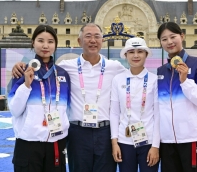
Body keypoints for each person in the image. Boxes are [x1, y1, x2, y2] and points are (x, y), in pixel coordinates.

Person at [11, 23, 126, 172]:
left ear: (102, 40)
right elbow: (43, 68)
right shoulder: (65, 68)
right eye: (88, 36)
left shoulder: (115, 67)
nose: (93, 40)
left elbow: (134, 77)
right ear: (79, 42)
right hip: (77, 132)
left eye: (97, 36)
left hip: (105, 132)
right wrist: (20, 67)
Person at [8, 25, 71, 172]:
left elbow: (67, 108)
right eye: (40, 40)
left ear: (55, 45)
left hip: (56, 141)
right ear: (33, 43)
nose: (45, 45)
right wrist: (26, 85)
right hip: (28, 143)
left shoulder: (63, 74)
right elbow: (15, 110)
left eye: (50, 41)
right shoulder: (22, 71)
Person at [156, 22, 197, 172]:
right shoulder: (161, 71)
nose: (169, 42)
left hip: (193, 138)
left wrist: (185, 81)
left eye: (173, 37)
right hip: (168, 142)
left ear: (182, 36)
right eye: (164, 39)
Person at [110, 37, 160, 172]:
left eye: (140, 51)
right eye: (131, 52)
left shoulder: (154, 80)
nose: (136, 55)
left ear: (146, 54)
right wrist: (114, 143)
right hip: (124, 142)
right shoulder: (118, 79)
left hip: (148, 142)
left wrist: (155, 146)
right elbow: (114, 113)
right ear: (125, 55)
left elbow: (158, 115)